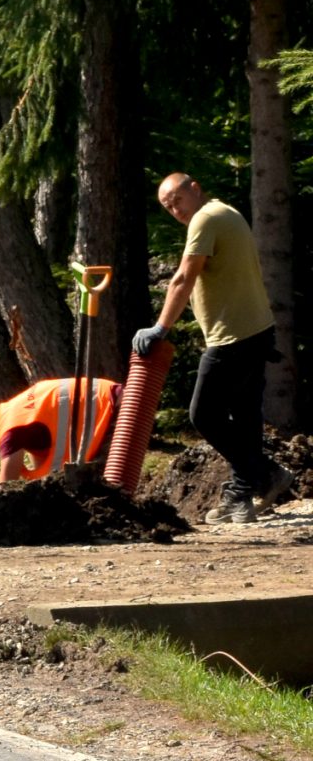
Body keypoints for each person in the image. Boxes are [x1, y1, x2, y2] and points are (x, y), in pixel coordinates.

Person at [139, 172, 281, 521]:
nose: (175, 209)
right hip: (256, 329)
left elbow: (184, 276)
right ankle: (244, 494)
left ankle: (264, 476)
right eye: (167, 206)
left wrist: (160, 328)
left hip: (233, 336)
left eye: (177, 199)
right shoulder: (225, 212)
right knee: (246, 416)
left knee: (203, 414)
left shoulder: (205, 218)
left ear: (195, 189)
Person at [0, 378, 120, 484]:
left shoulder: (10, 431)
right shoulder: (14, 412)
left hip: (114, 414)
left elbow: (6, 487)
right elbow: (44, 469)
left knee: (105, 487)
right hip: (114, 397)